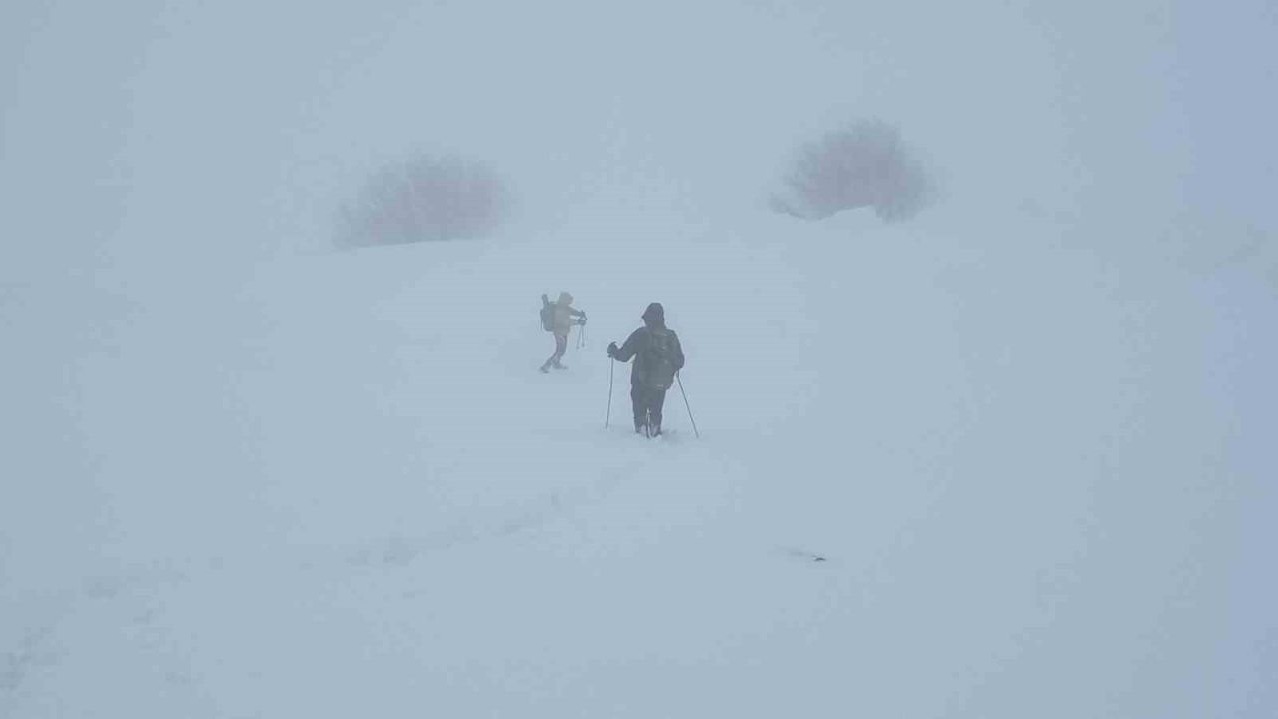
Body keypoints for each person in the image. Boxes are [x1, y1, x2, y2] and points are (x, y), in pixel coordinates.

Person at [607, 302, 685, 436]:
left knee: (638, 402)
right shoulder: (671, 336)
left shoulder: (641, 334)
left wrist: (613, 351)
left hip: (640, 378)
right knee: (657, 404)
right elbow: (680, 361)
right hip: (661, 380)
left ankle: (641, 425)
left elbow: (624, 355)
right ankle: (655, 425)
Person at [540, 292, 586, 372]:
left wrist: (579, 314)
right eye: (569, 300)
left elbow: (572, 311)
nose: (570, 302)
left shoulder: (565, 307)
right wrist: (578, 322)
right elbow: (566, 321)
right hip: (558, 332)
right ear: (564, 300)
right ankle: (545, 366)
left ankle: (556, 363)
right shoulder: (559, 309)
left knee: (562, 350)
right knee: (559, 350)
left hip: (564, 332)